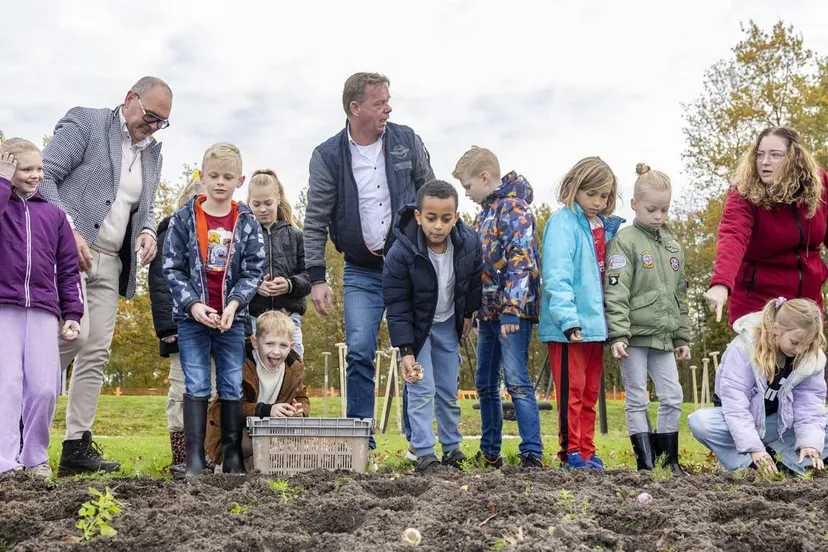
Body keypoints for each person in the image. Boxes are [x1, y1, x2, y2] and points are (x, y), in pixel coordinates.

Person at [40, 76, 173, 476]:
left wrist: (148, 231)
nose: (153, 126)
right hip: (70, 253)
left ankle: (76, 446)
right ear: (129, 99)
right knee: (73, 336)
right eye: (150, 115)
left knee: (95, 351)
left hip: (112, 262)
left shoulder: (152, 154)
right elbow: (44, 177)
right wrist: (70, 230)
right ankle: (21, 415)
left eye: (162, 122)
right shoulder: (86, 123)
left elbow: (144, 208)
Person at [303, 72, 434, 446]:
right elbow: (315, 219)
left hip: (409, 266)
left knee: (414, 350)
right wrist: (317, 277)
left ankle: (418, 442)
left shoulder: (407, 141)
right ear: (355, 108)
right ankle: (361, 442)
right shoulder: (328, 156)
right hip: (361, 269)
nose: (388, 108)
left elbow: (433, 195)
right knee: (360, 350)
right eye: (380, 102)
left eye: (389, 100)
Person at [163, 143, 264, 476]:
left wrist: (235, 305)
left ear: (239, 180)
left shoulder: (246, 221)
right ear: (202, 176)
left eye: (228, 177)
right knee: (197, 385)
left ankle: (232, 456)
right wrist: (192, 305)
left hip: (231, 320)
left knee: (232, 385)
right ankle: (195, 460)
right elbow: (171, 268)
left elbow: (254, 270)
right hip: (193, 319)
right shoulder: (183, 219)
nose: (220, 182)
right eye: (214, 175)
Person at [452, 146, 544, 469]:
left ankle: (532, 450)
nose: (467, 194)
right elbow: (480, 266)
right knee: (484, 382)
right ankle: (491, 451)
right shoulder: (484, 214)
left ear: (485, 177)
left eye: (467, 187)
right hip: (487, 314)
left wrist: (511, 308)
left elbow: (521, 260)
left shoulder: (514, 210)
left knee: (516, 379)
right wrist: (474, 310)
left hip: (511, 315)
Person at [383, 180, 483, 473]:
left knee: (448, 391)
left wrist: (467, 315)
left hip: (447, 327)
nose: (438, 226)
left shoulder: (470, 244)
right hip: (417, 332)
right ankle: (425, 453)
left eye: (446, 218)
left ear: (456, 217)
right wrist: (406, 351)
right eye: (431, 218)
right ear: (418, 216)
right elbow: (397, 304)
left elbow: (473, 282)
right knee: (420, 388)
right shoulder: (400, 253)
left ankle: (452, 448)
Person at [0, 140, 83, 477]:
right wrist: (3, 183)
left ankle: (35, 456)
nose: (36, 176)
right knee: (6, 385)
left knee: (45, 387)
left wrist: (73, 314)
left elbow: (68, 269)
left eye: (39, 169)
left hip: (44, 311)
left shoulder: (53, 215)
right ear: (8, 168)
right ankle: (5, 463)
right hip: (4, 308)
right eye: (26, 169)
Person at [604, 163, 691, 475]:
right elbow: (616, 291)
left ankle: (669, 461)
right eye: (652, 209)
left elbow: (679, 295)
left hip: (664, 339)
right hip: (633, 339)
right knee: (637, 398)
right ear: (635, 205)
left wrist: (682, 336)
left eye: (665, 209)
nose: (659, 216)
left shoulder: (672, 246)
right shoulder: (625, 242)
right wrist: (618, 335)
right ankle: (646, 463)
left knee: (673, 396)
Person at [537, 156, 623, 470]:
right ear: (574, 188)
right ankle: (570, 452)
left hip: (596, 325)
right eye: (592, 195)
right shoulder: (562, 223)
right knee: (570, 392)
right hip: (569, 327)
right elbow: (556, 275)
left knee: (589, 393)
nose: (598, 202)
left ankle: (587, 450)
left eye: (604, 196)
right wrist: (567, 319)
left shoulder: (605, 227)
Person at [688, 298, 828, 476]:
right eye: (794, 342)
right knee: (701, 422)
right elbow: (736, 407)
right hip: (745, 421)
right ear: (776, 329)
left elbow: (809, 405)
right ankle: (750, 465)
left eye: (807, 344)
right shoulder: (743, 349)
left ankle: (795, 460)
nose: (800, 350)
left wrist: (809, 442)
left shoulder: (811, 358)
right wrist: (754, 448)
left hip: (780, 424)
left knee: (818, 428)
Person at [705, 126, 828, 327]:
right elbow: (732, 236)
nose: (764, 162)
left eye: (775, 155)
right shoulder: (743, 193)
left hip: (806, 303)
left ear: (794, 158)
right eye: (760, 155)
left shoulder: (818, 184)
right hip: (758, 302)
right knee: (764, 358)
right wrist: (721, 283)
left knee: (810, 359)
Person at [148, 172, 215, 475]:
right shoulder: (169, 234)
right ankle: (181, 454)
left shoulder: (221, 237)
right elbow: (161, 282)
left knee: (212, 390)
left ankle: (207, 452)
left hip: (215, 329)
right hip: (181, 330)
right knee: (181, 390)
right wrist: (167, 327)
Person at [205, 310, 309, 471]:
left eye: (283, 345)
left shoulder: (293, 369)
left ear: (291, 346)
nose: (276, 351)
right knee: (249, 442)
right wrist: (266, 410)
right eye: (269, 344)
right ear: (255, 342)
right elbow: (223, 410)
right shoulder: (240, 366)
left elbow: (302, 396)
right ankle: (226, 466)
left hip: (272, 432)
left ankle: (272, 468)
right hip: (239, 433)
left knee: (300, 443)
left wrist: (300, 410)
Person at [246, 170, 310, 357]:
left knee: (293, 367)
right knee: (254, 371)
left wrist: (290, 284)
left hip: (289, 318)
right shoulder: (244, 237)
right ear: (249, 202)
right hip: (254, 318)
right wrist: (256, 285)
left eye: (268, 203)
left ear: (279, 199)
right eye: (256, 204)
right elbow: (234, 273)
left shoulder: (297, 236)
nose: (263, 209)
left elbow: (309, 275)